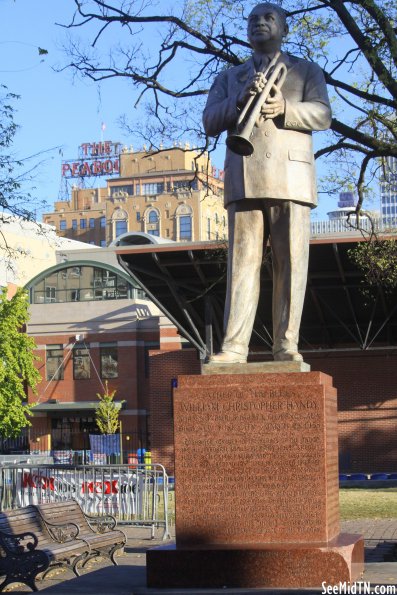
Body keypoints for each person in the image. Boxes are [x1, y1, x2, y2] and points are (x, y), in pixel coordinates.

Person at [203, 2, 332, 363]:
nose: (259, 23)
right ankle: (234, 346)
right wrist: (240, 100)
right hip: (244, 175)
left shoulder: (306, 71)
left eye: (268, 18)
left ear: (284, 28)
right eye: (253, 20)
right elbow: (209, 119)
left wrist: (286, 110)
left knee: (290, 265)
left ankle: (286, 345)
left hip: (290, 177)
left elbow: (323, 114)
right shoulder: (230, 78)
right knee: (242, 265)